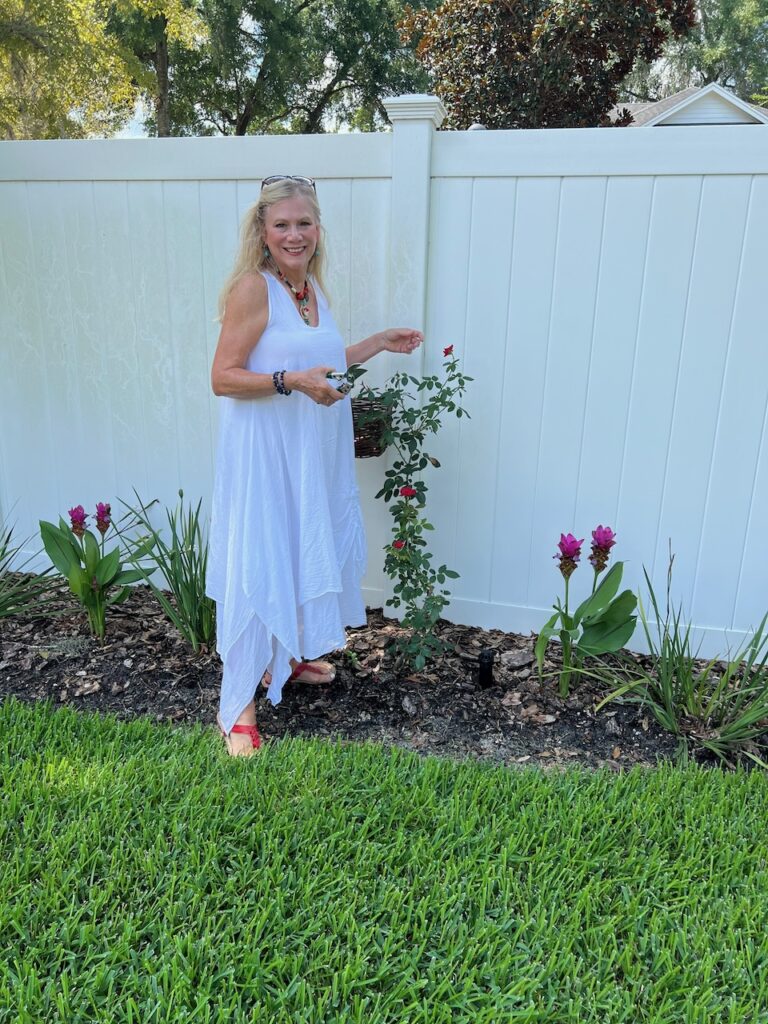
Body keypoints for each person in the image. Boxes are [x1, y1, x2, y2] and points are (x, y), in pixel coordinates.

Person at [206, 175, 423, 756]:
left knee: (302, 546)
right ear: (262, 231)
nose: (294, 234)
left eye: (304, 223)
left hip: (306, 453)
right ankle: (241, 705)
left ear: (318, 229)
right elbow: (222, 377)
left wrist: (374, 343)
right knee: (262, 552)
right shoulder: (255, 289)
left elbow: (318, 359)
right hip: (265, 456)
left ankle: (288, 657)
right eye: (282, 224)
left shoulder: (311, 291)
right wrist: (289, 383)